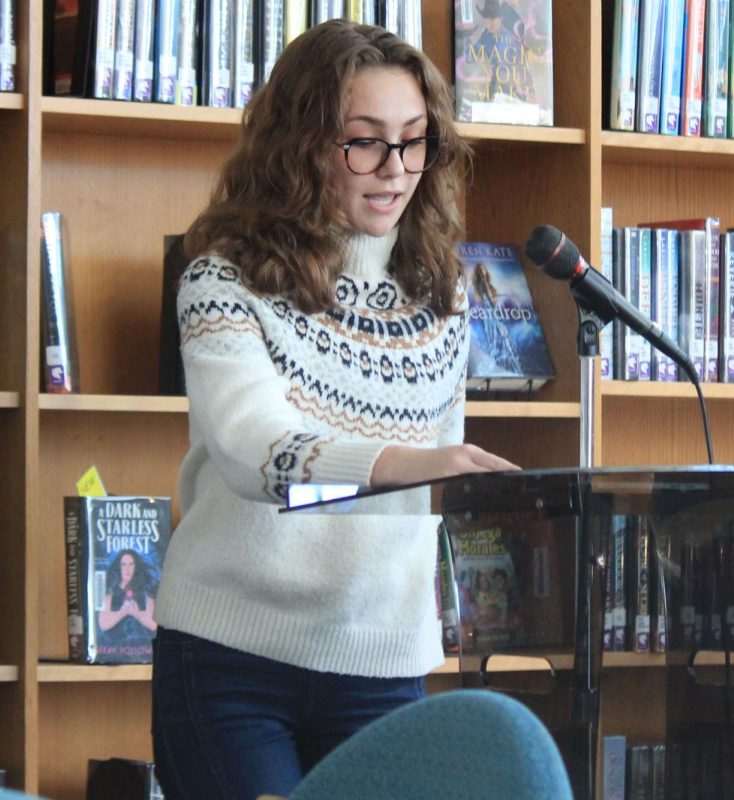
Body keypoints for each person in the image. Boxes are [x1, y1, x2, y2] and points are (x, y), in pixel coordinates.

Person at [150, 19, 518, 800]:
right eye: (365, 142)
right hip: (231, 659)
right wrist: (411, 465)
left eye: (416, 142)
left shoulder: (447, 294)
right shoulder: (222, 279)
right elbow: (256, 453)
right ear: (304, 144)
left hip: (381, 665)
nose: (396, 170)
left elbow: (437, 485)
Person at [97, 548, 158, 644]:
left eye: (131, 564)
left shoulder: (146, 592)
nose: (127, 568)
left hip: (143, 648)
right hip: (114, 649)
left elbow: (155, 625)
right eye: (123, 564)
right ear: (119, 567)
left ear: (136, 566)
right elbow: (103, 624)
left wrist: (137, 614)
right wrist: (122, 612)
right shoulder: (110, 593)